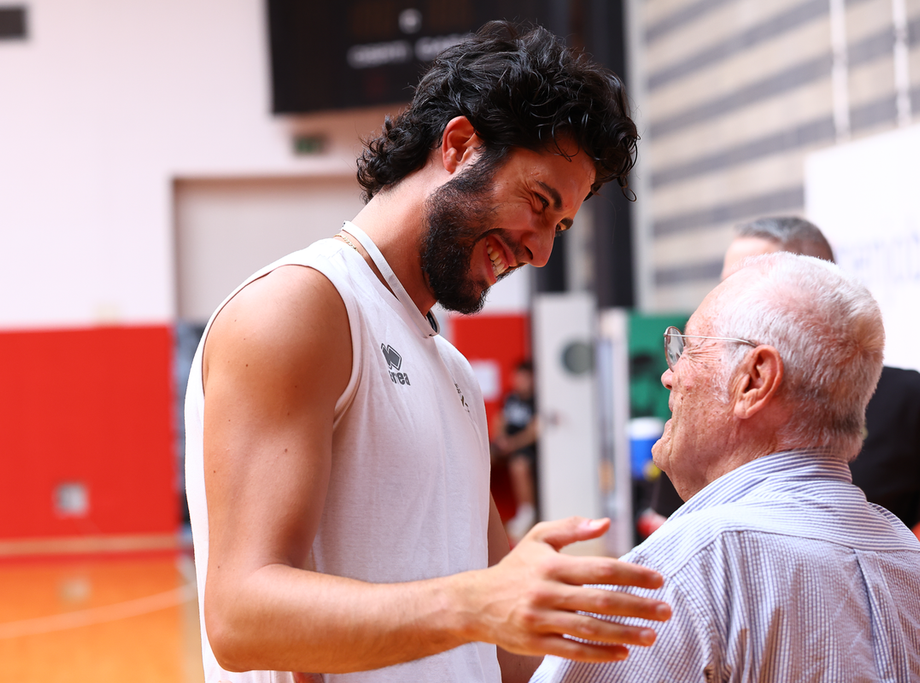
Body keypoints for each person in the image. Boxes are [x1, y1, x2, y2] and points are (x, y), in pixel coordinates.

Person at [184, 21, 671, 683]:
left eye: (560, 226)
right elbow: (242, 618)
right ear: (460, 146)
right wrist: (475, 604)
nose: (541, 251)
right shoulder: (301, 306)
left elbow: (506, 649)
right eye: (539, 202)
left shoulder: (453, 371)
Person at [533, 252, 920, 682]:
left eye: (688, 349)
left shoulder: (694, 563)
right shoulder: (905, 556)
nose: (669, 375)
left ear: (754, 381)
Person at [649, 216, 920, 538]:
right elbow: (669, 533)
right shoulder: (701, 420)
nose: (725, 296)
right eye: (724, 284)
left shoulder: (906, 399)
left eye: (749, 280)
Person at [492, 360, 540, 542]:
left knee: (519, 465)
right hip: (506, 445)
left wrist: (512, 444)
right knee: (481, 459)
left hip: (524, 447)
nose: (519, 381)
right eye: (517, 377)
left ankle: (527, 513)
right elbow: (499, 420)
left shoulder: (537, 400)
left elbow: (533, 431)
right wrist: (500, 438)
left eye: (524, 378)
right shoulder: (510, 397)